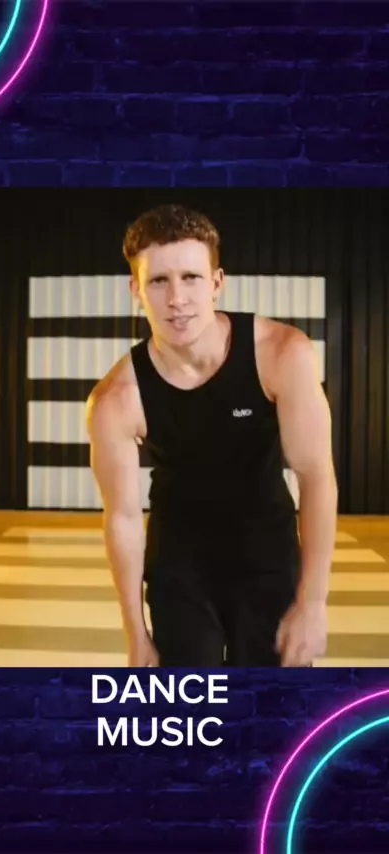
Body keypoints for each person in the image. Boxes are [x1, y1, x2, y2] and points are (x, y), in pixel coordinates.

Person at [86, 204, 338, 667]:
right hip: (180, 564)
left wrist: (313, 603)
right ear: (136, 291)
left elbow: (316, 476)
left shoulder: (282, 354)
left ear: (217, 283)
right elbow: (122, 517)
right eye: (158, 281)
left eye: (191, 278)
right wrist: (136, 634)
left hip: (267, 554)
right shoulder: (115, 400)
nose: (176, 298)